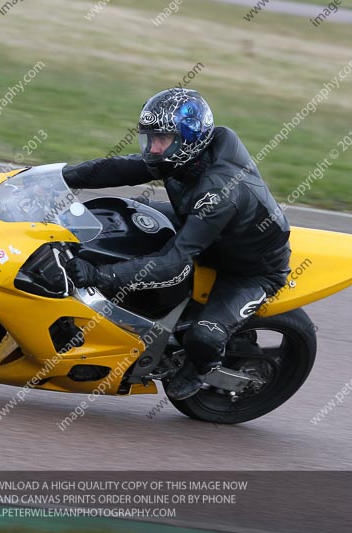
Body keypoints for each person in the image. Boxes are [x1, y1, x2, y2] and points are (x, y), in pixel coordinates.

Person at [62, 88, 291, 400]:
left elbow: (174, 262)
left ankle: (203, 369)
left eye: (162, 139)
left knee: (204, 337)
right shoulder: (183, 155)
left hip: (251, 270)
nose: (153, 148)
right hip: (203, 224)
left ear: (188, 138)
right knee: (118, 215)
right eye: (150, 138)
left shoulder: (219, 191)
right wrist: (60, 176)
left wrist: (100, 275)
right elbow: (119, 168)